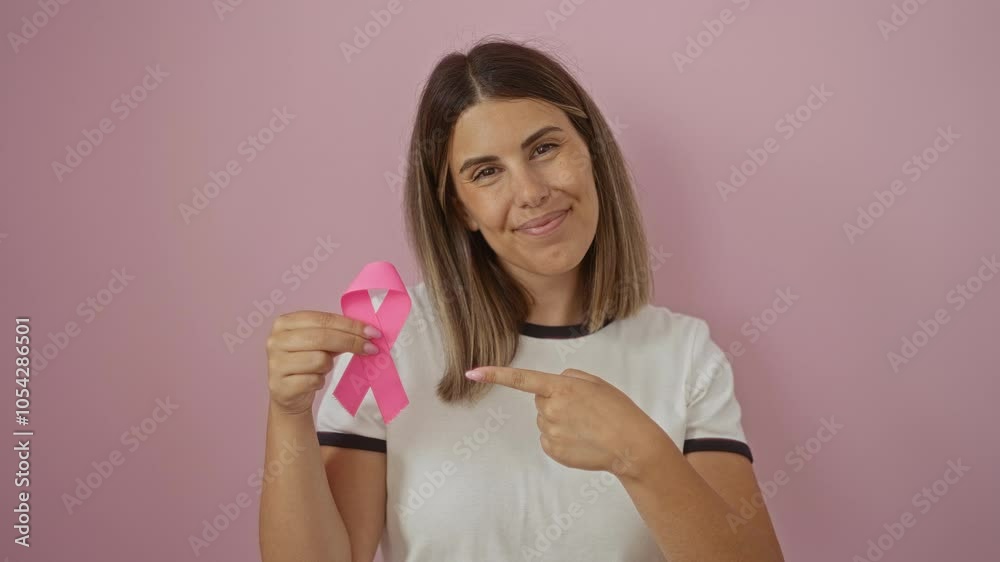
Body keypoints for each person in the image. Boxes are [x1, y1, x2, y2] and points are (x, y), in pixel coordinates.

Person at [259, 38, 784, 562]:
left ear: (592, 153)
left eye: (544, 149)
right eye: (487, 172)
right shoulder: (389, 338)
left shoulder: (687, 355)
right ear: (460, 208)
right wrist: (289, 413)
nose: (531, 192)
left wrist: (641, 455)